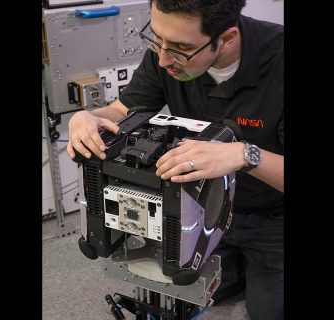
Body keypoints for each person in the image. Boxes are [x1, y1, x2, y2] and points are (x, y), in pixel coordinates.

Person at [67, 1, 283, 319]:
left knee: (268, 311)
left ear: (226, 39)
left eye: (181, 48)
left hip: (273, 218)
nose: (163, 58)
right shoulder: (167, 51)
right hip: (202, 209)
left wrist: (243, 155)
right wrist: (87, 118)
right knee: (189, 289)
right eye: (157, 38)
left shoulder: (278, 59)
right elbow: (122, 112)